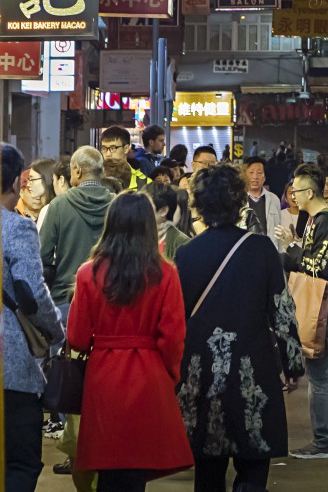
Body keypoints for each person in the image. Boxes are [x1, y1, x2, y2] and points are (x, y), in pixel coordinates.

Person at [176, 164, 304, 492]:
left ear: (199, 204)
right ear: (239, 202)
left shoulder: (186, 254)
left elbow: (177, 318)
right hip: (253, 370)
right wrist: (293, 364)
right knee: (253, 463)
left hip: (200, 372)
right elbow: (282, 311)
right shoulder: (261, 249)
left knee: (207, 470)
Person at [66, 192, 194, 490]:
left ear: (111, 224)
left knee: (108, 467)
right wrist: (170, 376)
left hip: (103, 377)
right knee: (137, 468)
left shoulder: (88, 273)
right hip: (148, 376)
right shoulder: (165, 274)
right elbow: (174, 337)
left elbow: (77, 338)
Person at [275, 163, 328, 460]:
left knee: (319, 375)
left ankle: (323, 442)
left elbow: (318, 266)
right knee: (326, 374)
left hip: (327, 305)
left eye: (295, 190)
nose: (292, 195)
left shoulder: (326, 221)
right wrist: (294, 244)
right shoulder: (318, 219)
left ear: (309, 191)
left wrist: (289, 251)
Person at [3, 144, 64, 492]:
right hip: (10, 367)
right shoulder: (17, 228)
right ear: (15, 182)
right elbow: (35, 293)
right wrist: (56, 333)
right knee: (20, 461)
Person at [39, 145, 113, 313]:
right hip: (108, 299)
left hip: (66, 299)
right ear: (101, 172)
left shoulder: (59, 205)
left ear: (77, 171)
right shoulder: (115, 203)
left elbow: (43, 256)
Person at [144, 181, 191, 259]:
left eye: (145, 206)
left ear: (163, 211)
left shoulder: (181, 244)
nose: (139, 210)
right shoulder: (138, 238)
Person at [239, 156, 280, 238]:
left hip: (268, 247)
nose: (255, 177)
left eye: (259, 173)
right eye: (251, 172)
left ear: (264, 177)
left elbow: (278, 228)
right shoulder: (238, 199)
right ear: (244, 175)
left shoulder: (274, 199)